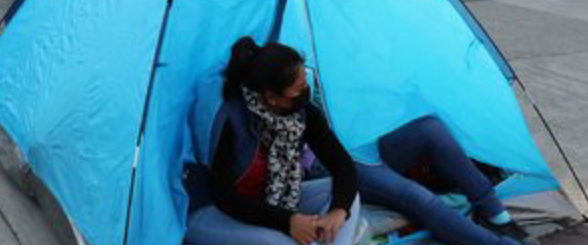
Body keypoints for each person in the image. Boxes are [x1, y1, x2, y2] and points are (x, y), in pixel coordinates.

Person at [186, 38, 360, 245]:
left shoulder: (300, 113)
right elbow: (225, 197)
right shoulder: (231, 120)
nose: (305, 94)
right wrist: (288, 221)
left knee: (346, 199)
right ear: (271, 97)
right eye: (299, 89)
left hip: (266, 203)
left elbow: (342, 165)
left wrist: (338, 212)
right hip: (214, 210)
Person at [355, 117, 532, 245]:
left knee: (430, 127)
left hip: (366, 141)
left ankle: (495, 213)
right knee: (418, 197)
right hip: (343, 165)